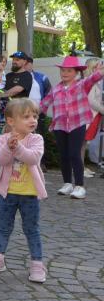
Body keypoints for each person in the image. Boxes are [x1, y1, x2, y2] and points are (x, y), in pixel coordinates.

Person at [0, 98, 47, 283]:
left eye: (34, 116)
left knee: (31, 229)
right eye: (26, 117)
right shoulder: (2, 139)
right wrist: (9, 147)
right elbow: (0, 160)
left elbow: (33, 158)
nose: (32, 120)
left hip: (30, 194)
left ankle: (37, 264)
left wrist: (17, 147)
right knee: (4, 227)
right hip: (7, 194)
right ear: (11, 121)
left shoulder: (36, 139)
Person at [40, 56, 103, 199]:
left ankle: (80, 186)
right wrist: (28, 112)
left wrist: (99, 72)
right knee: (64, 155)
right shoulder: (56, 89)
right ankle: (67, 183)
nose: (65, 73)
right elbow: (44, 104)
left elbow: (92, 79)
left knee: (75, 154)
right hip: (60, 126)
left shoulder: (81, 85)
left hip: (77, 124)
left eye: (69, 71)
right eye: (63, 70)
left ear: (76, 73)